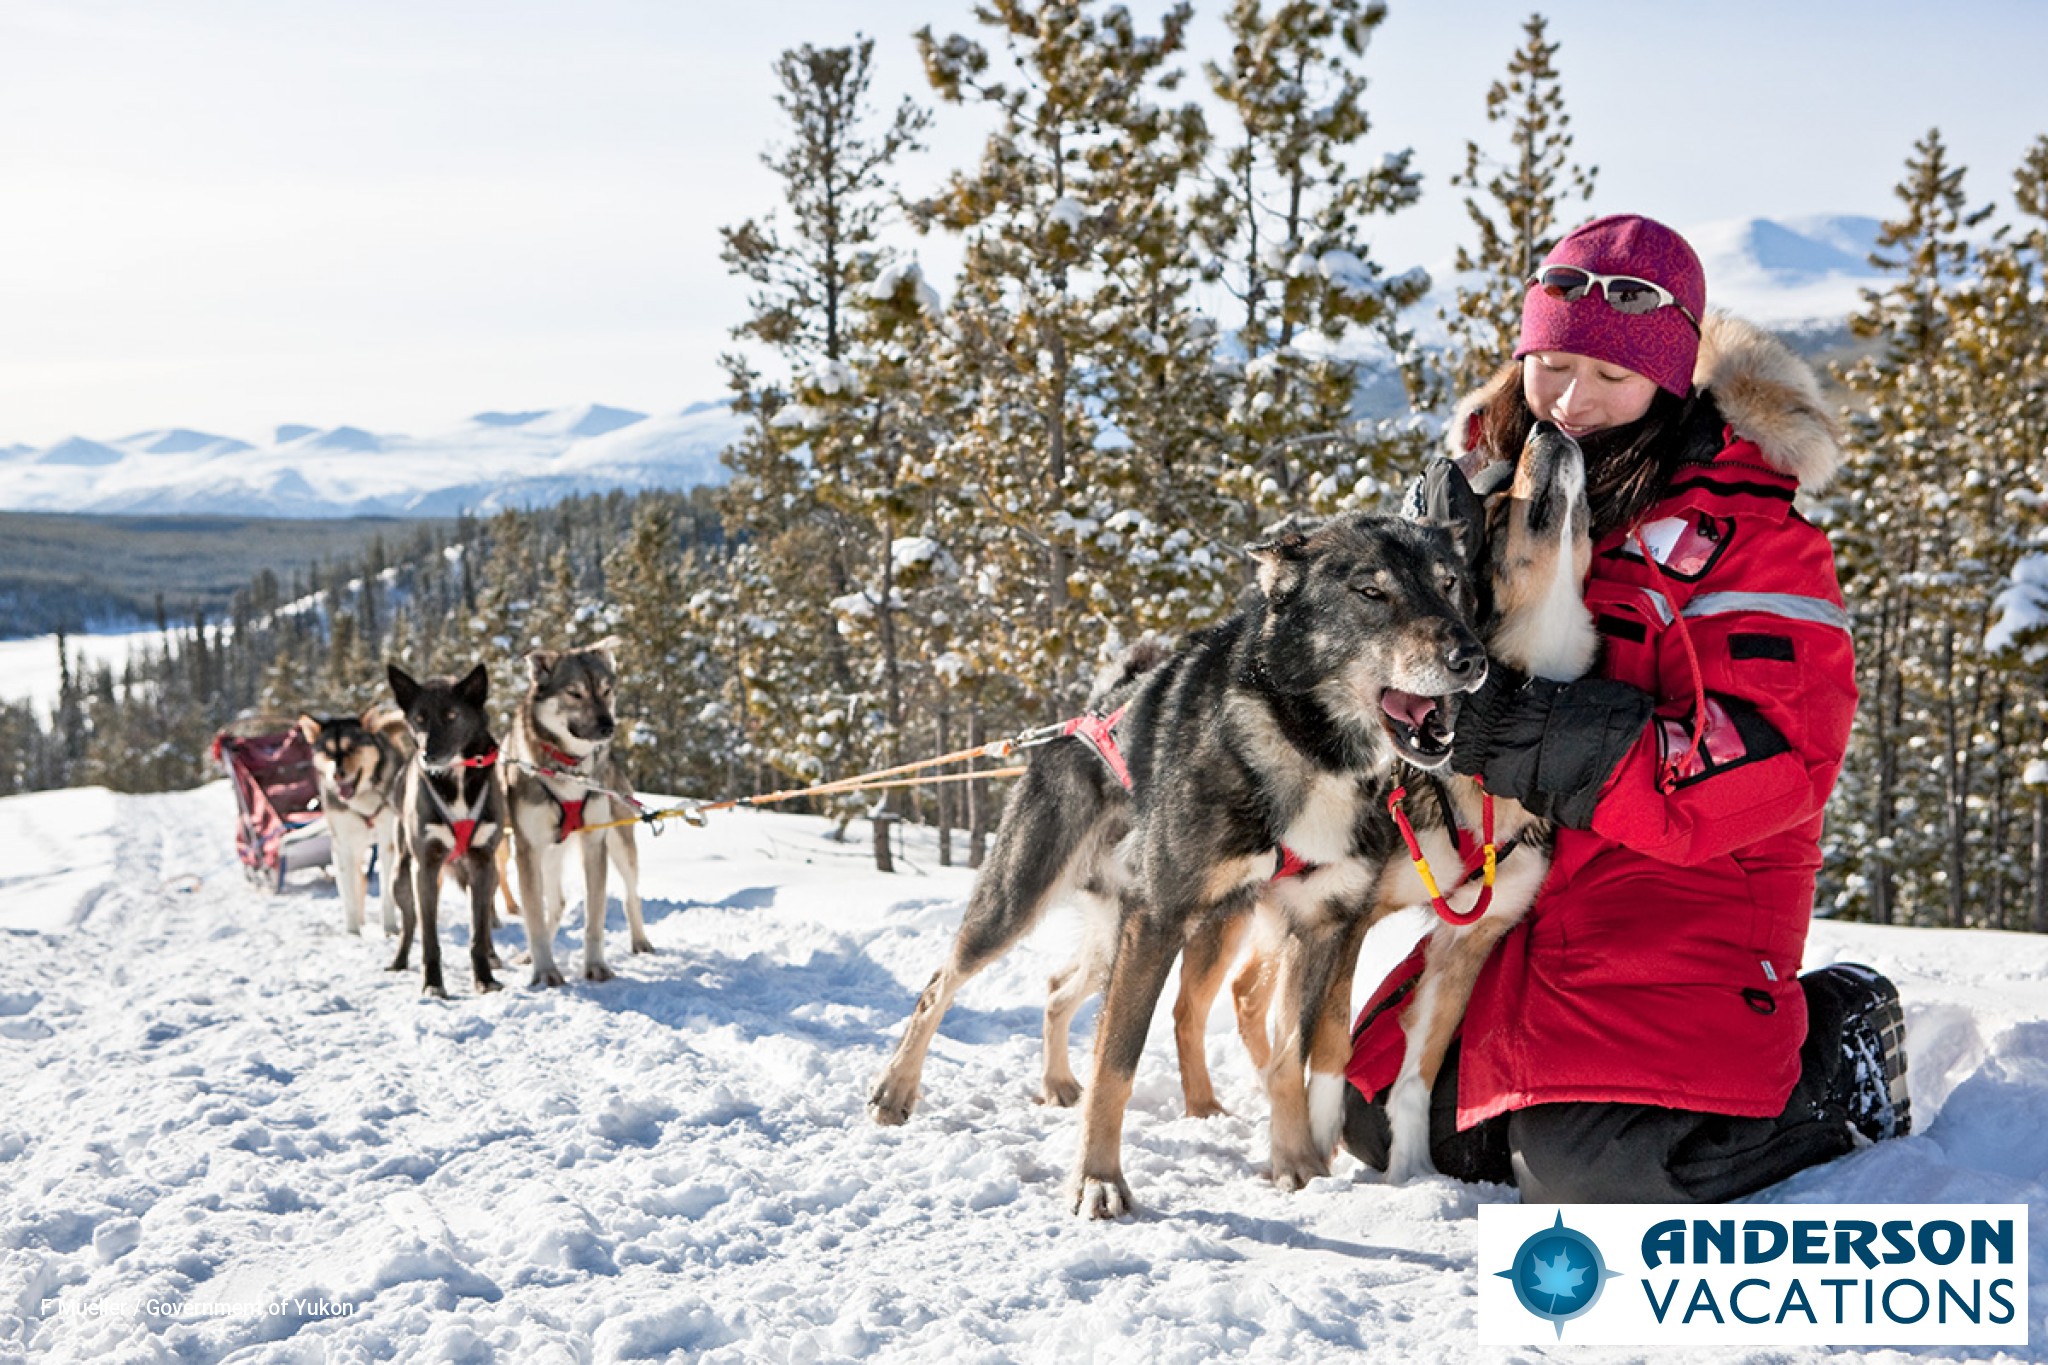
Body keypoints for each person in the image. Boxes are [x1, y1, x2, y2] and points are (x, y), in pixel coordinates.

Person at [1342, 213, 1910, 1202]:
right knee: (1376, 1113)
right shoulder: (1488, 494)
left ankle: (1832, 1046)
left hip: (1687, 888)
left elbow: (1773, 761)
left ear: (1670, 374)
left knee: (1598, 1166)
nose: (1572, 401)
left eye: (1611, 376)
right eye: (1552, 364)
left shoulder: (1750, 534)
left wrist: (1511, 730)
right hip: (1533, 895)